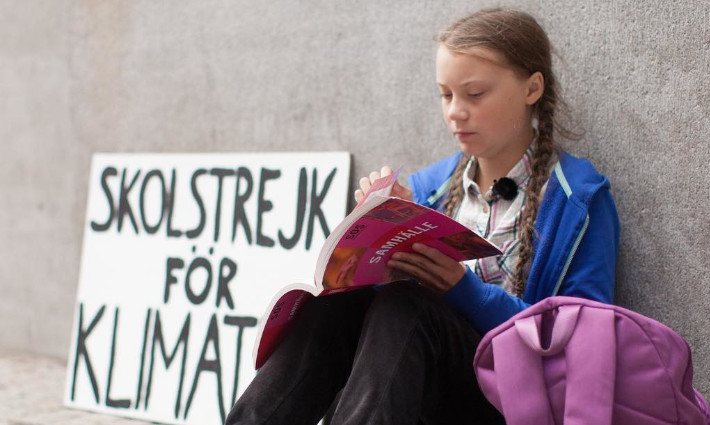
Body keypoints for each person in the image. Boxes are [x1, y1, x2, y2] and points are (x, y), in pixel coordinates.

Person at [226, 7, 619, 425]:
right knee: (335, 306)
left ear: (531, 88)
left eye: (475, 94)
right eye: (446, 95)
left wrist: (463, 290)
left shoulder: (577, 197)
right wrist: (372, 244)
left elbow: (582, 346)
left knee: (409, 306)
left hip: (510, 403)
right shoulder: (430, 185)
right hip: (415, 388)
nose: (455, 112)